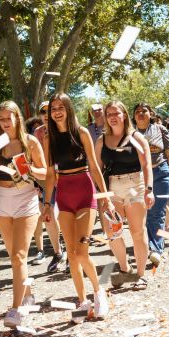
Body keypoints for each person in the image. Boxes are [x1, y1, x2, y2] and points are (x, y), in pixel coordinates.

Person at [43, 93, 109, 320]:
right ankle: (82, 301)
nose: (57, 111)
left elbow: (93, 165)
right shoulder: (49, 138)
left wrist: (105, 196)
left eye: (61, 107)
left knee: (81, 251)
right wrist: (46, 203)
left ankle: (99, 292)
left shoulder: (81, 132)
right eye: (53, 108)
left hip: (84, 192)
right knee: (71, 254)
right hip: (64, 195)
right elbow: (51, 173)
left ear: (69, 109)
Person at [0, 101, 47, 328]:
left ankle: (17, 308)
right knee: (14, 255)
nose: (4, 123)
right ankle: (28, 294)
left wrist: (29, 168)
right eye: (1, 119)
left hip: (26, 199)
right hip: (1, 200)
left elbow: (46, 173)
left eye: (8, 119)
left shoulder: (30, 142)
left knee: (19, 256)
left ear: (18, 118)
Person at [95, 101, 153, 288]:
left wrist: (149, 189)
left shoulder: (135, 137)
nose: (112, 116)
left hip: (135, 185)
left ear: (124, 115)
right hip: (111, 189)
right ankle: (125, 269)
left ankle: (142, 275)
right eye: (109, 113)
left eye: (116, 113)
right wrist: (102, 195)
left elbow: (146, 165)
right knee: (113, 233)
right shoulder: (101, 140)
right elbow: (96, 169)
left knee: (137, 231)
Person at [133, 103, 169, 267]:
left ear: (150, 114)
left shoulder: (160, 129)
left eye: (144, 111)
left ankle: (156, 249)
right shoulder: (130, 134)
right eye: (137, 112)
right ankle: (150, 245)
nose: (141, 114)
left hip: (161, 173)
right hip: (140, 178)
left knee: (156, 213)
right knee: (144, 214)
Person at [31, 102, 65, 273]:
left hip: (66, 179)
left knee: (67, 217)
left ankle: (72, 254)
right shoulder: (37, 133)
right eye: (42, 111)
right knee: (49, 217)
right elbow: (35, 159)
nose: (45, 114)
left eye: (49, 110)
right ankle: (58, 253)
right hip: (46, 181)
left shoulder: (65, 128)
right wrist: (36, 183)